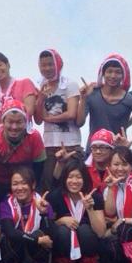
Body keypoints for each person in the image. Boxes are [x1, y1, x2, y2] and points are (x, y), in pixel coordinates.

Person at [46, 159, 106, 263]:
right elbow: (49, 224)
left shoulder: (95, 197)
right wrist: (61, 220)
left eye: (78, 177)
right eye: (70, 177)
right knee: (62, 231)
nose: (74, 181)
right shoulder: (54, 196)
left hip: (87, 241)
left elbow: (101, 232)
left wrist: (90, 209)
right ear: (64, 178)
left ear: (85, 179)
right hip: (65, 241)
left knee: (85, 230)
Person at [0, 166, 59, 263]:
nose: (19, 187)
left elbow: (51, 232)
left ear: (33, 184)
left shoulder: (43, 202)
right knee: (6, 237)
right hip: (16, 247)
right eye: (15, 184)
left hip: (34, 249)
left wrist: (43, 213)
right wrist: (37, 240)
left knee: (42, 234)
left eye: (24, 183)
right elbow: (10, 232)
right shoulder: (6, 204)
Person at [0, 100, 46, 197]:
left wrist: (33, 191)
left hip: (20, 181)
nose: (14, 127)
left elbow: (39, 168)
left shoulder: (34, 137)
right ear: (3, 122)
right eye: (10, 122)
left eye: (19, 122)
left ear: (26, 122)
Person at [34, 48, 82, 191]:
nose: (47, 68)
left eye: (50, 64)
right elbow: (38, 120)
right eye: (43, 65)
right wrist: (40, 99)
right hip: (49, 145)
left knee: (72, 183)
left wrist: (48, 118)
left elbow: (71, 114)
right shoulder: (40, 86)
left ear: (59, 64)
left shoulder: (70, 84)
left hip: (71, 144)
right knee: (49, 186)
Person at [76, 54, 132, 135]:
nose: (113, 76)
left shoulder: (130, 100)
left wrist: (127, 125)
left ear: (123, 75)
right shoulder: (92, 94)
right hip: (95, 143)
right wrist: (83, 98)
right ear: (103, 74)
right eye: (109, 71)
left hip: (118, 143)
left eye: (118, 72)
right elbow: (79, 123)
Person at [0, 51, 37, 127]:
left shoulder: (25, 83)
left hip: (24, 131)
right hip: (1, 134)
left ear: (8, 65)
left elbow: (29, 112)